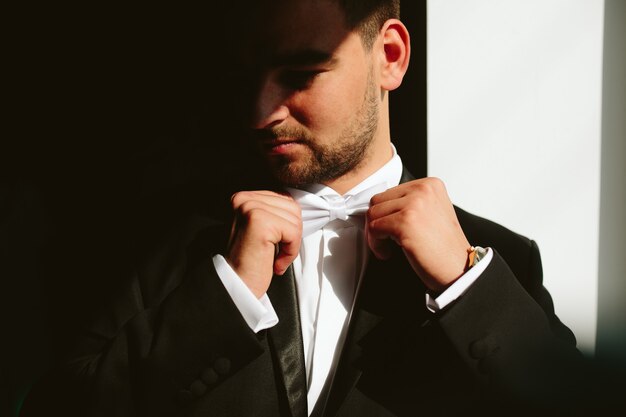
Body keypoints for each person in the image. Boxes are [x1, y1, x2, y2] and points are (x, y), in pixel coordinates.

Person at [20, 1, 604, 416]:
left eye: (300, 73)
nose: (260, 113)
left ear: (391, 57)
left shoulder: (495, 264)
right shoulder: (174, 247)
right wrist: (222, 299)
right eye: (248, 79)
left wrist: (466, 286)